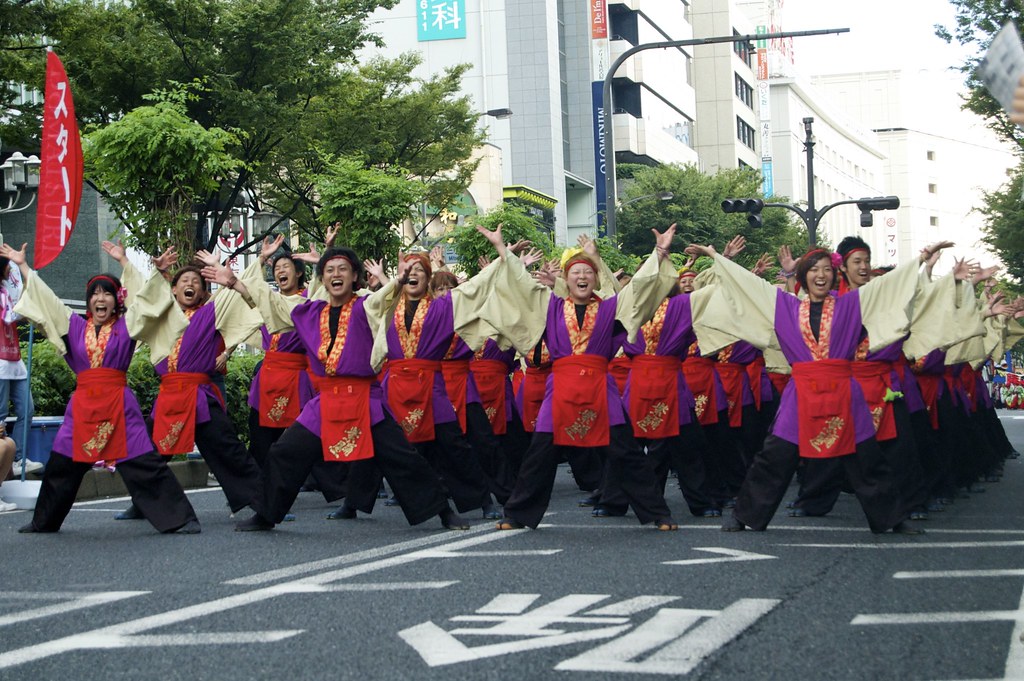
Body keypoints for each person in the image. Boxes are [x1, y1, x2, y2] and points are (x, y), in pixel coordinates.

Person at [689, 240, 962, 534]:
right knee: (774, 455)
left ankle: (892, 517)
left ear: (834, 275)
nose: (821, 275)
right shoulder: (785, 305)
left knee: (866, 457)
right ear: (804, 276)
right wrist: (716, 256)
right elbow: (747, 285)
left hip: (844, 389)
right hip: (802, 391)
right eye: (814, 270)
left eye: (826, 270)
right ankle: (745, 515)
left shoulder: (852, 304)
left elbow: (890, 287)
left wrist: (921, 257)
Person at [214, 247, 472, 531]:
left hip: (365, 400)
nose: (336, 274)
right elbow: (273, 304)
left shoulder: (365, 306)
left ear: (354, 278)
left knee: (403, 457)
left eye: (343, 269)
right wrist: (236, 283)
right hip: (326, 401)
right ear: (323, 280)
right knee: (285, 452)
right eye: (330, 270)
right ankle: (265, 514)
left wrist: (397, 281)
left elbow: (381, 302)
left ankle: (444, 512)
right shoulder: (311, 311)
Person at [477, 222, 680, 532]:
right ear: (566, 280)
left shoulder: (611, 308)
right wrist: (501, 248)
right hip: (560, 389)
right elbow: (521, 284)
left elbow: (640, 288)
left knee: (626, 452)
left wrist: (661, 251)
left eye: (587, 272)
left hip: (601, 387)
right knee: (539, 454)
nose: (582, 277)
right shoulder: (552, 307)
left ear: (595, 279)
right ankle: (517, 514)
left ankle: (657, 513)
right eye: (575, 273)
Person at [2, 241, 200, 533]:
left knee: (142, 462)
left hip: (119, 404)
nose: (100, 298)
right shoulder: (73, 325)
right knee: (61, 465)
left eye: (107, 292)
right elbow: (46, 299)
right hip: (83, 406)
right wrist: (23, 265)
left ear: (116, 300)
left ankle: (180, 519)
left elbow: (145, 302)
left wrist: (157, 273)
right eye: (95, 293)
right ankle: (43, 521)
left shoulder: (127, 324)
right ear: (88, 301)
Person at [115, 246, 265, 521]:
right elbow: (141, 297)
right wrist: (157, 270)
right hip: (169, 396)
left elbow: (240, 296)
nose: (190, 284)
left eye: (196, 282)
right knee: (143, 451)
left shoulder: (212, 312)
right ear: (172, 290)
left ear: (203, 291)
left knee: (228, 451)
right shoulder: (163, 315)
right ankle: (143, 502)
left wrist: (231, 269)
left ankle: (264, 504)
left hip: (200, 396)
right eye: (183, 281)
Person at [0, 257, 37, 476]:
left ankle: (18, 458)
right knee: (0, 414)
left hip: (15, 358)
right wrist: (27, 303)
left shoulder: (8, 290)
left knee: (27, 408)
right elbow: (8, 317)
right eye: (7, 266)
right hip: (0, 362)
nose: (9, 270)